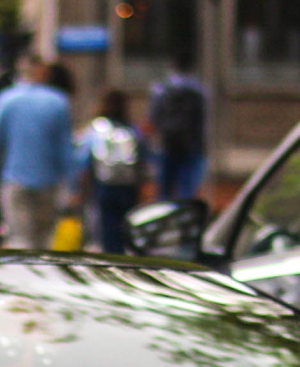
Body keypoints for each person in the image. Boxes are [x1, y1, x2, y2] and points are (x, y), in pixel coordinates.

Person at [0, 56, 77, 251]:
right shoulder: (58, 102)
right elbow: (65, 149)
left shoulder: (6, 100)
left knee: (20, 239)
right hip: (49, 182)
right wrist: (72, 186)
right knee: (45, 241)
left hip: (16, 181)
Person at [77, 89, 144, 254]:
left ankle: (111, 257)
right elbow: (143, 155)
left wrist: (81, 186)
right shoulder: (132, 128)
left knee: (108, 228)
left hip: (105, 185)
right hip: (129, 186)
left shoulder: (96, 128)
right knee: (127, 228)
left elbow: (84, 159)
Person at [148, 53, 209, 202]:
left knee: (164, 192)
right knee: (187, 191)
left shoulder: (161, 89)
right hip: (191, 147)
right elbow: (203, 121)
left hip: (167, 146)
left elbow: (153, 118)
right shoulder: (200, 91)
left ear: (173, 67)